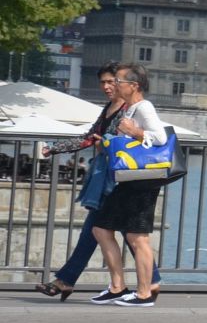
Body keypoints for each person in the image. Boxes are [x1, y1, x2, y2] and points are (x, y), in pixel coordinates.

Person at [35, 63, 161, 302]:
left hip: (118, 178)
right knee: (109, 230)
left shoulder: (133, 108)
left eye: (112, 82)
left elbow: (145, 137)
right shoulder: (112, 106)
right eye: (102, 82)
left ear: (125, 84)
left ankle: (138, 286)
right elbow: (90, 137)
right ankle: (145, 284)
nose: (106, 86)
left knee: (112, 230)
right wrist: (54, 148)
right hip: (110, 176)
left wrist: (113, 139)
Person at [91, 64, 168, 307]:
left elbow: (160, 137)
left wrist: (135, 131)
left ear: (133, 86)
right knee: (101, 228)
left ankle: (144, 293)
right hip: (128, 179)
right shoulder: (130, 108)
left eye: (119, 81)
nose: (114, 85)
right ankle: (117, 287)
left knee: (138, 237)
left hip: (143, 181)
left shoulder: (144, 107)